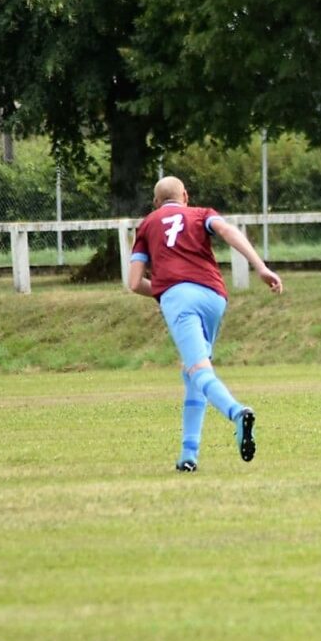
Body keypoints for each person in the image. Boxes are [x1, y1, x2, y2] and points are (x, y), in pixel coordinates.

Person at [128, 176, 283, 472]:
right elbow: (226, 231)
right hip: (214, 295)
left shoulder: (148, 223)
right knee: (194, 372)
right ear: (185, 195)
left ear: (156, 202)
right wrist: (260, 267)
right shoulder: (202, 214)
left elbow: (134, 282)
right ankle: (189, 454)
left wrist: (164, 290)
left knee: (199, 370)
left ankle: (236, 412)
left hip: (178, 296)